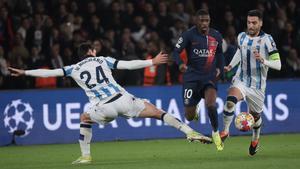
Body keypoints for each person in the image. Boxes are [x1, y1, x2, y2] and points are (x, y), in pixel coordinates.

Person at [8, 42, 212, 164]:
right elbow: (129, 65)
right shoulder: (103, 60)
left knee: (84, 118)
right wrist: (151, 62)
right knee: (157, 112)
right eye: (94, 49)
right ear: (91, 52)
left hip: (103, 107)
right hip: (123, 100)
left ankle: (86, 157)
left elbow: (49, 72)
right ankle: (189, 132)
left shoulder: (73, 68)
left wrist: (25, 71)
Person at [220, 10, 281, 155]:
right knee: (230, 101)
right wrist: (231, 65)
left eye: (254, 23)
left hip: (258, 87)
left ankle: (255, 139)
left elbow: (278, 64)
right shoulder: (241, 36)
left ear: (260, 23)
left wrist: (264, 60)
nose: (251, 25)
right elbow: (239, 52)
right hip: (241, 80)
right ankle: (226, 131)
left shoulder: (267, 39)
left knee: (256, 117)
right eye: (249, 22)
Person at [172, 9, 224, 151]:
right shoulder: (188, 35)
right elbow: (175, 52)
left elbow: (220, 54)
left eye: (206, 20)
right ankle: (195, 110)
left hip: (209, 77)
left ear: (209, 21)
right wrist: (181, 64)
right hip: (191, 78)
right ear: (196, 21)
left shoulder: (216, 35)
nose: (204, 23)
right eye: (201, 20)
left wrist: (220, 68)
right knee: (189, 116)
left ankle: (215, 132)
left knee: (211, 105)